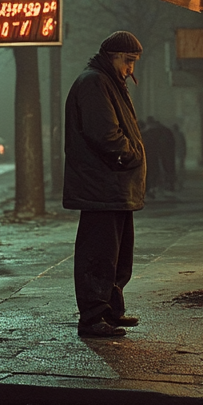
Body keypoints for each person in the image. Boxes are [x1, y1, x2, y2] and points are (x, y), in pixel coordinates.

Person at [63, 31, 147, 339]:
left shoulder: (107, 81)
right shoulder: (95, 82)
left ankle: (110, 311)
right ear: (111, 56)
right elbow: (104, 134)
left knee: (117, 254)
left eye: (133, 62)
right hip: (103, 185)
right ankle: (93, 317)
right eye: (127, 61)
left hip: (113, 186)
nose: (130, 69)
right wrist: (130, 154)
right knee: (99, 254)